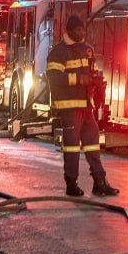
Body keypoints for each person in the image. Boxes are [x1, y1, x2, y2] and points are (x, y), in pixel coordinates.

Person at [46, 14, 117, 197]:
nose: (80, 33)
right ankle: (71, 184)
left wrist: (97, 82)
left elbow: (92, 71)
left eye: (82, 29)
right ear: (69, 31)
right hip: (69, 107)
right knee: (71, 147)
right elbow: (53, 79)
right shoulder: (58, 52)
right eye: (77, 30)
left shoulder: (87, 50)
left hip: (86, 107)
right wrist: (79, 79)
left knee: (93, 144)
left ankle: (100, 182)